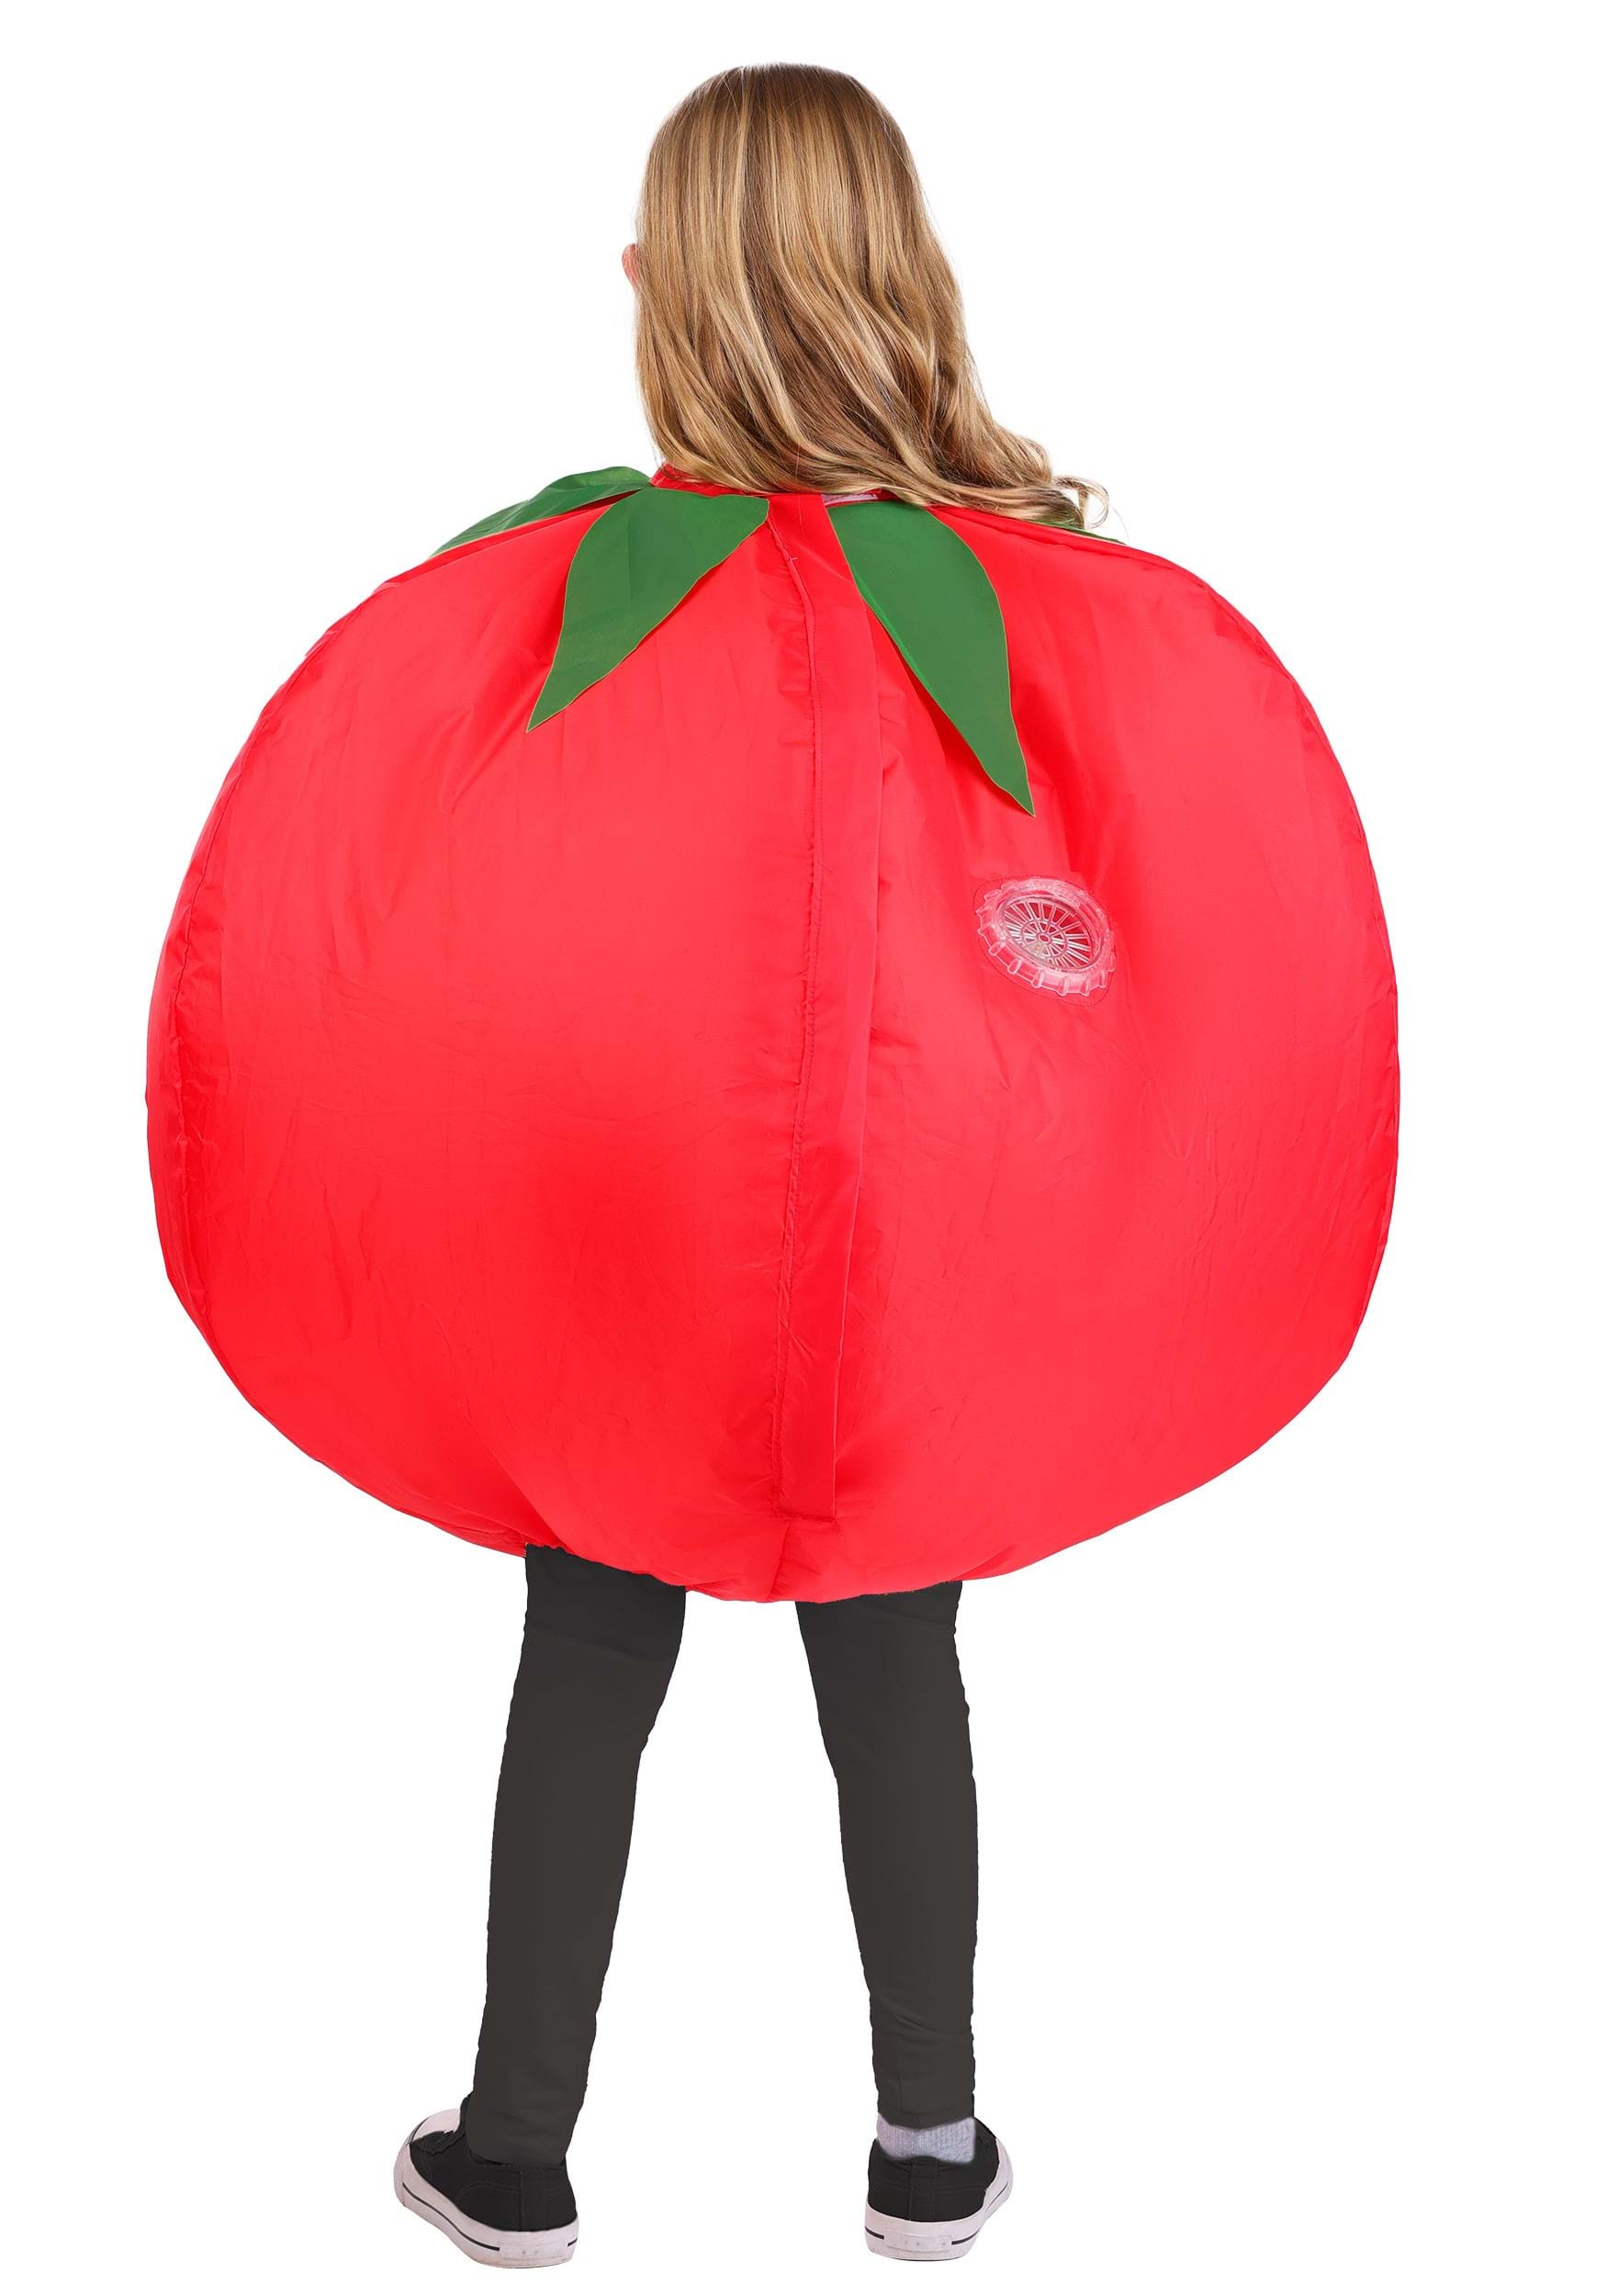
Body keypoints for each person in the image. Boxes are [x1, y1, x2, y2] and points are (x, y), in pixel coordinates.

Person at [147, 52, 1394, 2275]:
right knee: (893, 1647)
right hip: (911, 1270)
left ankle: (515, 2143)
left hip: (616, 1247)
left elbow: (382, 923)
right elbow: (1218, 917)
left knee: (585, 1636)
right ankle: (927, 2138)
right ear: (901, 275)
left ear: (654, 285)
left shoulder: (549, 607)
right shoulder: (1037, 606)